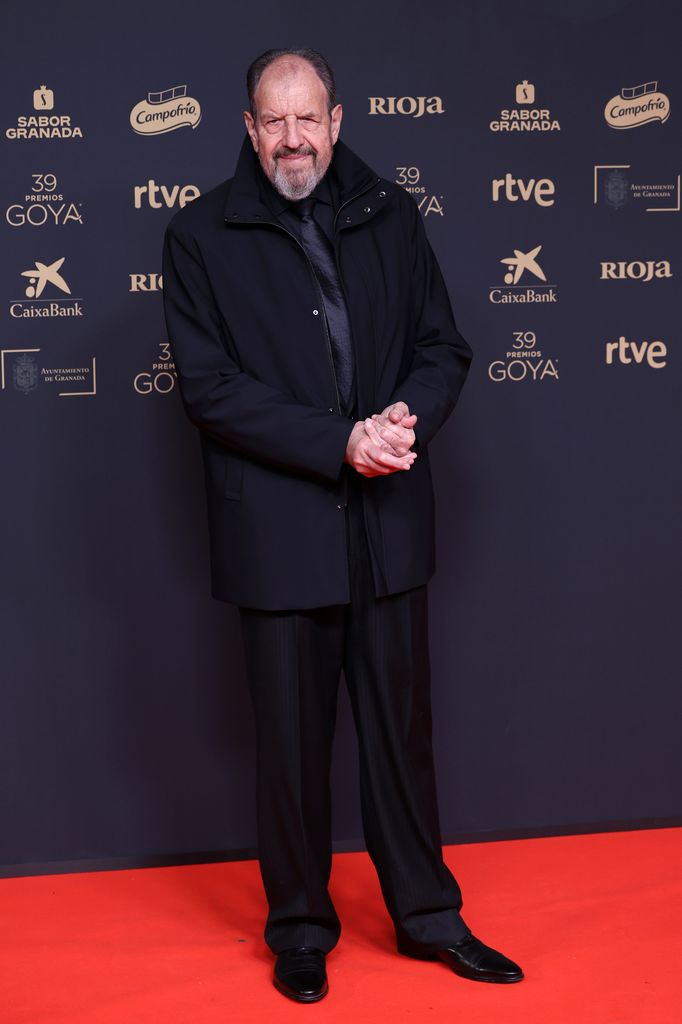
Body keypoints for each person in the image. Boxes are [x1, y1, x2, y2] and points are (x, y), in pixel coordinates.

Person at [162, 47, 524, 1003]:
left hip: (389, 520)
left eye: (307, 119)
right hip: (279, 534)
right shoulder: (200, 235)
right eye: (272, 121)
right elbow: (211, 391)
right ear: (249, 128)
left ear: (336, 119)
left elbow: (442, 345)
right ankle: (299, 930)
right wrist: (339, 442)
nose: (292, 140)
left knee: (403, 734)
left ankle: (428, 917)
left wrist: (404, 418)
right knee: (290, 742)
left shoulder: (392, 213)